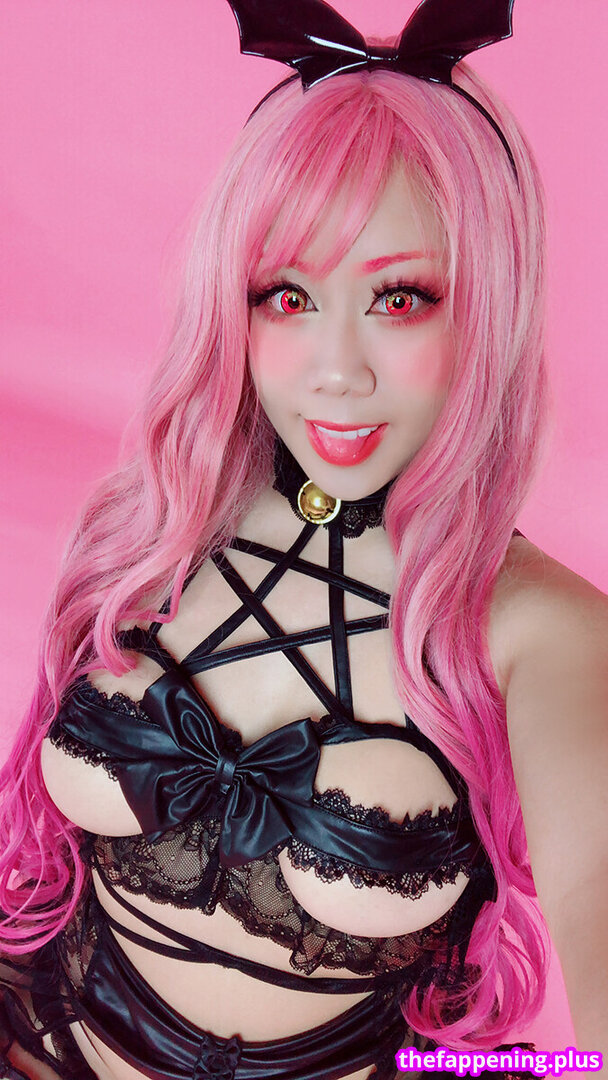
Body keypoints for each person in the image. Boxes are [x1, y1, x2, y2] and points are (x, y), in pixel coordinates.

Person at [0, 1, 606, 1078]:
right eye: (287, 295)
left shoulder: (537, 631)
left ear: (489, 306)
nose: (336, 371)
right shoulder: (152, 527)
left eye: (399, 299)